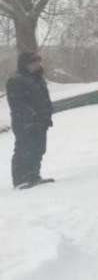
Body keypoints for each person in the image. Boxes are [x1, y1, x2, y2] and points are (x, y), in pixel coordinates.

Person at [7, 52, 54, 189]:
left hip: (41, 122)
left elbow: (44, 99)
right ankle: (20, 179)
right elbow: (17, 104)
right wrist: (31, 117)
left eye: (38, 61)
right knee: (24, 149)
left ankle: (33, 175)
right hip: (25, 123)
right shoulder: (16, 80)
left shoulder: (38, 79)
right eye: (34, 62)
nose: (37, 64)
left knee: (38, 149)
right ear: (25, 64)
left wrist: (46, 115)